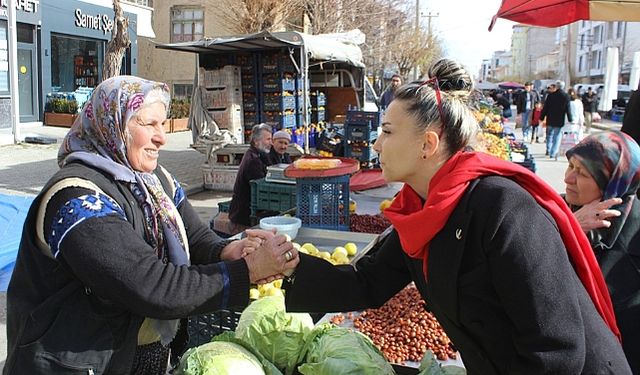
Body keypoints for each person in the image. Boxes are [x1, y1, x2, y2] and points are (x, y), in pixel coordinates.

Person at [280, 58, 631, 374]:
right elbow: (367, 282)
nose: (376, 144)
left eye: (387, 132)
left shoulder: (503, 208)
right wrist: (288, 264)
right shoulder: (419, 210)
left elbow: (556, 350)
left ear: (427, 145)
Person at [4, 76, 299, 374]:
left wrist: (228, 251)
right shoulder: (77, 198)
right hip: (76, 363)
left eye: (163, 124)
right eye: (149, 125)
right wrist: (247, 271)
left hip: (141, 353)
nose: (162, 137)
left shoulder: (154, 181)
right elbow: (151, 286)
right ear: (113, 125)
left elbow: (194, 237)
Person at [563, 131, 640, 373]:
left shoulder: (634, 235)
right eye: (570, 165)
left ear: (613, 181)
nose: (568, 178)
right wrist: (571, 227)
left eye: (583, 173)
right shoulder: (559, 209)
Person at [228, 123, 273, 233]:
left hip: (243, 216)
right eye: (268, 139)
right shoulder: (253, 160)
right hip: (243, 218)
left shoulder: (257, 154)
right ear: (256, 142)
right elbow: (261, 188)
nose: (271, 143)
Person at [541, 80, 573, 160]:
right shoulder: (566, 96)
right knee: (557, 136)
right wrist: (570, 118)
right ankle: (553, 152)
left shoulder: (551, 95)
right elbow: (568, 108)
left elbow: (546, 108)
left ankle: (548, 149)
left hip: (550, 118)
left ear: (557, 86)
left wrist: (542, 117)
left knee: (549, 135)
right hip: (559, 119)